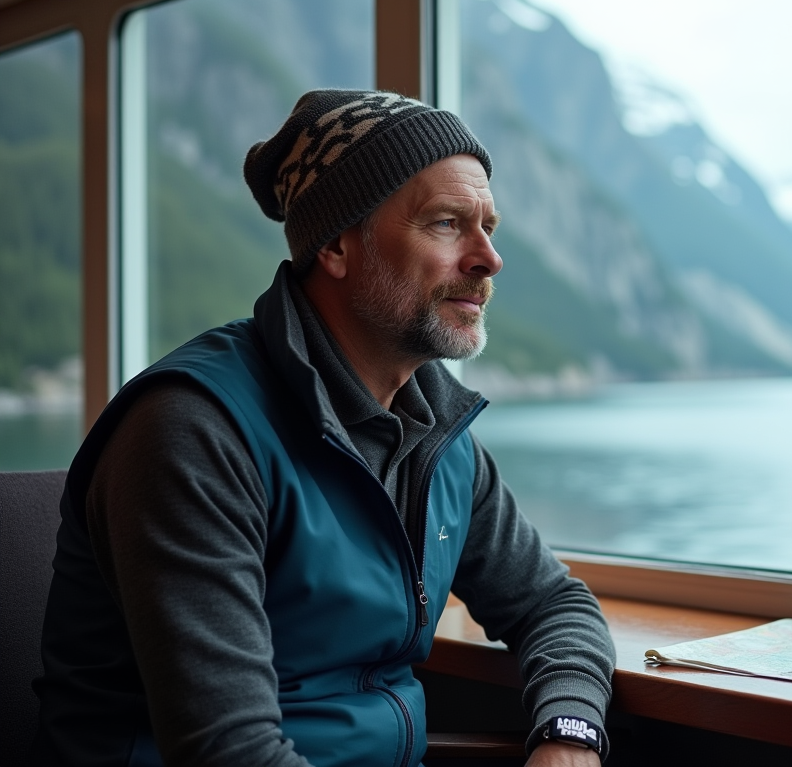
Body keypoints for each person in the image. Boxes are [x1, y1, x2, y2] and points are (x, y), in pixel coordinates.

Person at [33, 90, 615, 767]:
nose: (489, 258)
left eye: (489, 226)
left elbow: (554, 604)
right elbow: (231, 751)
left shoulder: (435, 433)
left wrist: (568, 738)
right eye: (448, 223)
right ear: (337, 243)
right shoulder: (193, 431)